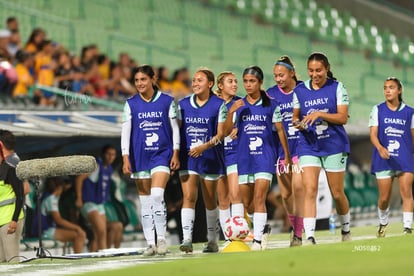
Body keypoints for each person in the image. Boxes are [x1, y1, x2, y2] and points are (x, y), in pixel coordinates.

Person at [224, 65, 291, 250]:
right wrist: (231, 112)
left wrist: (285, 154)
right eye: (245, 81)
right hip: (244, 158)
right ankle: (262, 228)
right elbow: (227, 132)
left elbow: (279, 130)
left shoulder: (271, 105)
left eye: (252, 81)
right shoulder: (238, 106)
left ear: (260, 82)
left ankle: (258, 240)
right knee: (248, 203)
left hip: (264, 157)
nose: (248, 84)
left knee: (260, 198)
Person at [292, 52, 351, 245]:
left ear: (327, 69)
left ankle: (346, 229)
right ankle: (310, 236)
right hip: (308, 145)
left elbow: (342, 118)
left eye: (318, 70)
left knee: (337, 192)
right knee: (310, 189)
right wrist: (298, 124)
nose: (314, 74)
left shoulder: (337, 87)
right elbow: (295, 117)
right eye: (311, 70)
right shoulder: (300, 90)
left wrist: (319, 114)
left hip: (334, 145)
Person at [121, 65, 180, 256]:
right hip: (139, 156)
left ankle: (161, 239)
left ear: (152, 79)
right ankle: (150, 243)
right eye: (137, 80)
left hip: (161, 155)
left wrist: (176, 152)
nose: (139, 83)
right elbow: (126, 132)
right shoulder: (130, 103)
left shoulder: (167, 101)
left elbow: (175, 129)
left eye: (143, 79)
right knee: (145, 201)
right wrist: (125, 157)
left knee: (156, 195)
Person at [177, 67, 226, 253]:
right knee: (189, 197)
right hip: (188, 157)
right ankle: (187, 239)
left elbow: (220, 134)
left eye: (200, 80)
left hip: (210, 157)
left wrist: (203, 147)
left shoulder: (219, 104)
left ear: (210, 84)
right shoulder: (182, 104)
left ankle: (212, 240)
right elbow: (177, 130)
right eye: (194, 80)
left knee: (209, 200)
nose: (195, 83)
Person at [266, 55, 304, 246]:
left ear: (292, 73)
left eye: (281, 75)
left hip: (303, 148)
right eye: (275, 76)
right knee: (286, 195)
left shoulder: (304, 90)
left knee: (298, 189)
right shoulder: (271, 94)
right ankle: (296, 225)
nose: (279, 79)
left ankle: (297, 233)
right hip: (281, 150)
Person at [369, 77, 414, 236]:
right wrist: (380, 148)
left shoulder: (410, 112)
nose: (387, 90)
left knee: (406, 192)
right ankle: (383, 223)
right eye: (385, 87)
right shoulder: (377, 110)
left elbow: (413, 136)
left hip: (405, 158)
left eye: (391, 87)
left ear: (399, 90)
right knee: (384, 198)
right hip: (384, 159)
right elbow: (373, 134)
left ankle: (407, 227)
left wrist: (410, 153)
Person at [214, 72, 244, 236]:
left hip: (234, 153)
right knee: (223, 198)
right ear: (220, 85)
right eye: (230, 81)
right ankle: (228, 236)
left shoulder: (241, 103)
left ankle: (238, 233)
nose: (234, 84)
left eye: (235, 81)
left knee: (235, 194)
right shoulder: (213, 104)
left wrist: (240, 128)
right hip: (218, 154)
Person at [75, 144, 118, 252]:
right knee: (101, 231)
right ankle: (104, 255)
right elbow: (79, 179)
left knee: (98, 233)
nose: (110, 157)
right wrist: (79, 198)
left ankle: (94, 254)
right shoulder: (96, 166)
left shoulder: (109, 169)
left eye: (113, 155)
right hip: (89, 203)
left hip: (100, 204)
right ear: (103, 154)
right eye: (108, 154)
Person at [33, 177, 86, 254]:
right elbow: (59, 220)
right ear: (59, 187)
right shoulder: (50, 198)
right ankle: (78, 259)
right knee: (79, 235)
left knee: (79, 234)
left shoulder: (49, 196)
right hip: (44, 231)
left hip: (49, 228)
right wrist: (77, 228)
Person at [0, 141, 24, 263]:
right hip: (1, 219)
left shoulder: (9, 170)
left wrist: (14, 220)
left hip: (10, 220)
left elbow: (20, 196)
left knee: (12, 259)